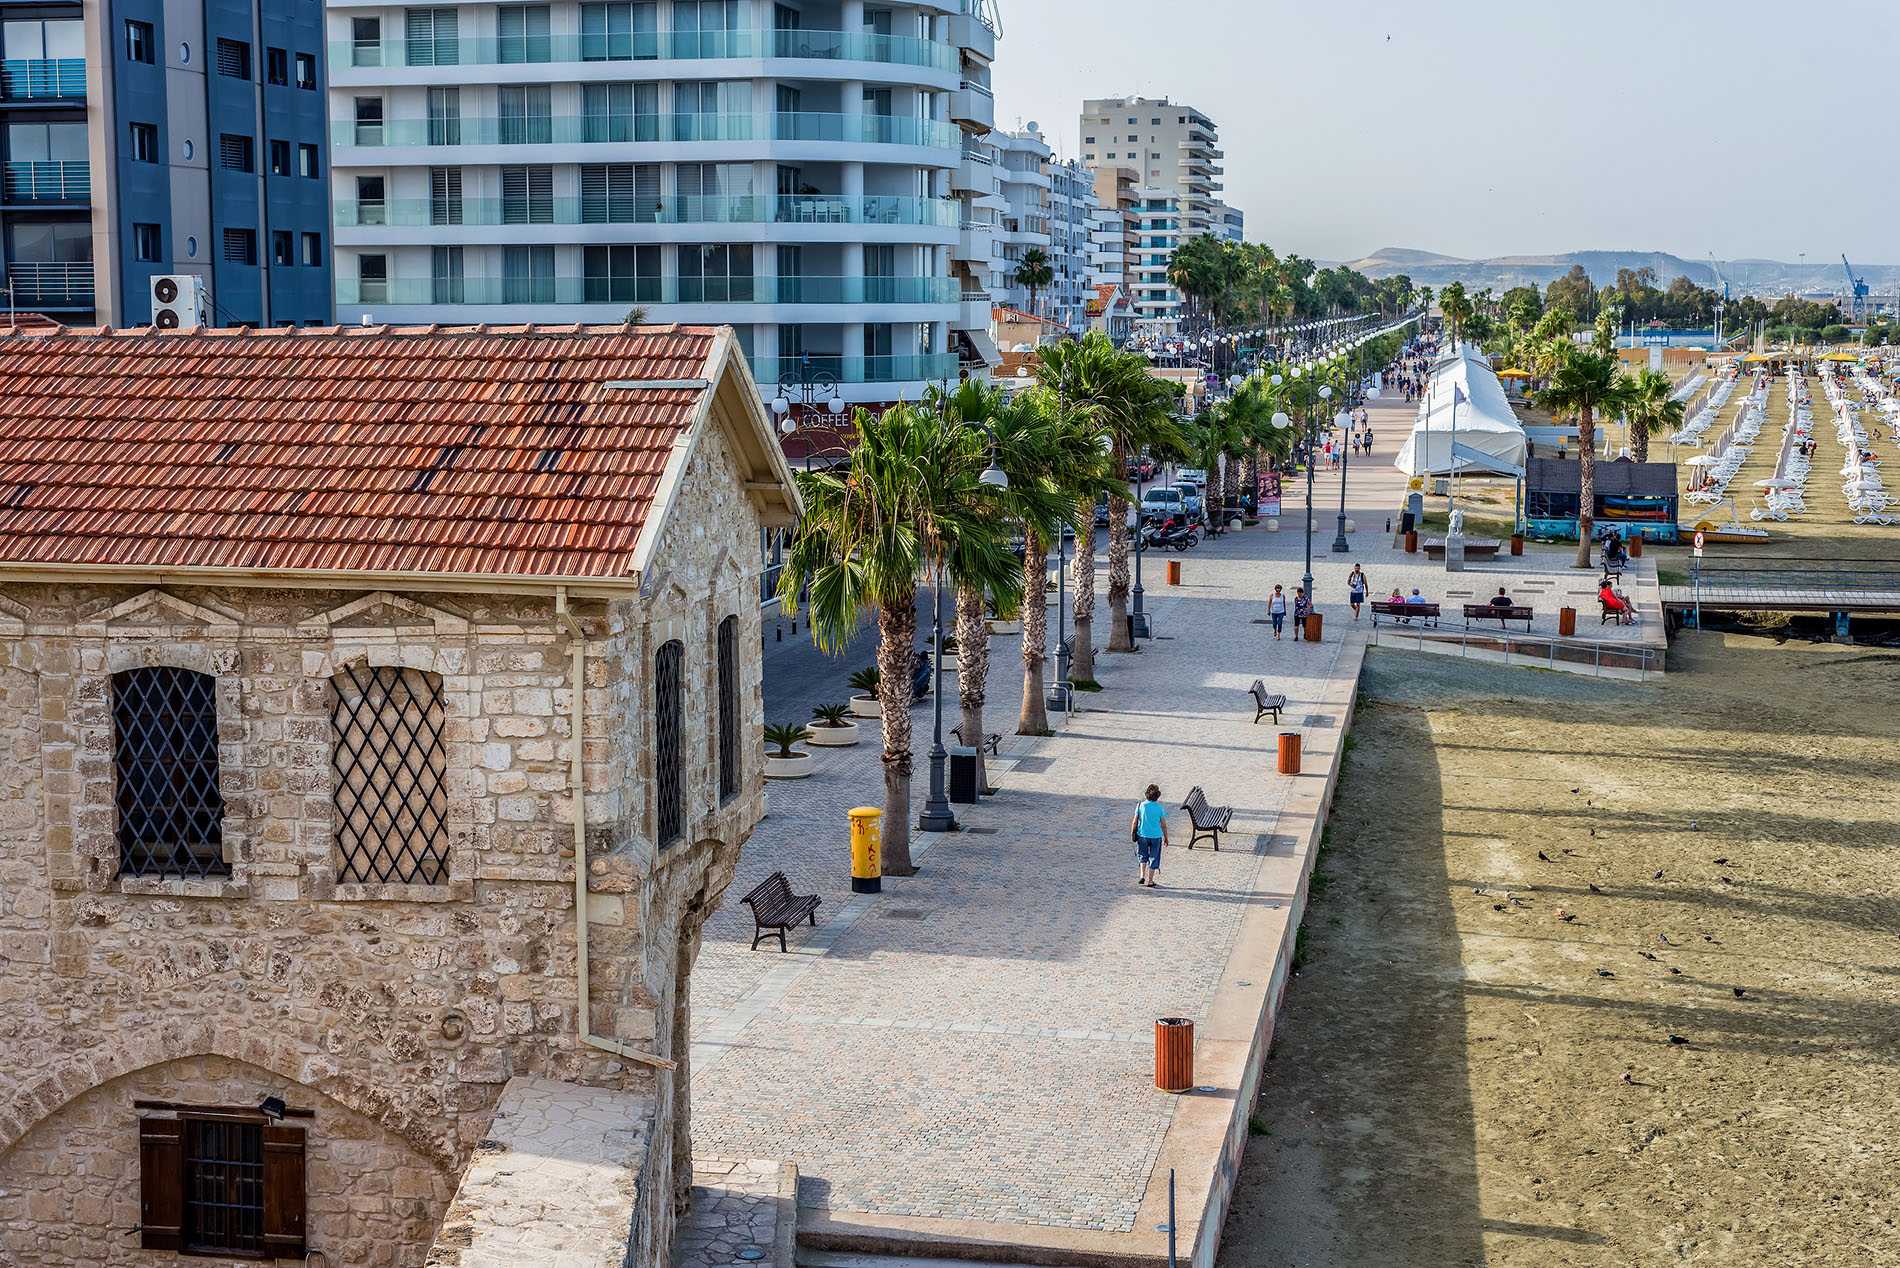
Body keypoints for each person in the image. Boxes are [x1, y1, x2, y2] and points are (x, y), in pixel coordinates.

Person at [1131, 784, 1169, 887]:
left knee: (1143, 854)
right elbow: (1163, 825)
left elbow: (1134, 822)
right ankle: (1150, 881)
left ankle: (1142, 875)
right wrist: (1166, 838)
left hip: (1142, 835)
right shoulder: (1160, 809)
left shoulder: (1140, 806)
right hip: (1156, 836)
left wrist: (1132, 833)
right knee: (1154, 857)